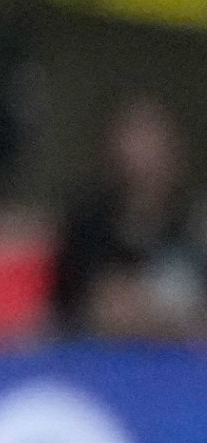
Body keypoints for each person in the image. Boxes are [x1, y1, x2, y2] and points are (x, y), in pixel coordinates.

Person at [53, 94, 207, 338]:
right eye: (132, 139)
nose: (142, 154)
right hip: (105, 361)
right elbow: (87, 306)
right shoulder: (88, 221)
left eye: (152, 139)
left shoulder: (196, 220)